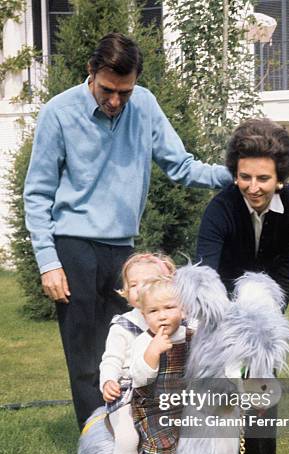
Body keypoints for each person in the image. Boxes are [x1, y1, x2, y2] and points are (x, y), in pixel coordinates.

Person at [23, 32, 232, 431]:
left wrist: (235, 176)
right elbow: (37, 193)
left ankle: (134, 433)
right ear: (91, 72)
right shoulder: (59, 112)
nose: (116, 101)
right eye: (107, 90)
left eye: (125, 91)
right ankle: (95, 439)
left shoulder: (147, 106)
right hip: (73, 248)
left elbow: (181, 166)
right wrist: (48, 262)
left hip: (125, 256)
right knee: (85, 355)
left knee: (136, 344)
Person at [196, 118, 289, 454]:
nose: (253, 187)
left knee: (262, 389)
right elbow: (207, 272)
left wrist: (260, 329)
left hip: (265, 305)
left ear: (280, 176)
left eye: (263, 178)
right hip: (223, 307)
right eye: (244, 177)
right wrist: (227, 330)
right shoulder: (220, 208)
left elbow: (287, 272)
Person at [99, 252, 175, 454]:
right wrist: (108, 380)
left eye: (150, 281)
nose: (141, 288)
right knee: (129, 437)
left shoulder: (171, 314)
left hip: (164, 392)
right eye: (133, 284)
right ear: (125, 291)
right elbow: (111, 359)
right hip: (129, 392)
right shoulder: (124, 325)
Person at [128, 277, 192, 454]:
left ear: (183, 310)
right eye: (153, 311)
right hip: (153, 405)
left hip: (183, 405)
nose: (162, 316)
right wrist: (153, 353)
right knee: (162, 443)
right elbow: (139, 378)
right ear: (144, 316)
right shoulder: (144, 341)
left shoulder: (190, 335)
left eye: (169, 308)